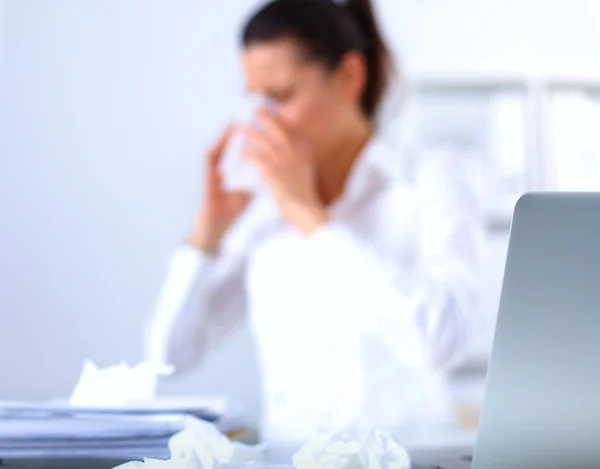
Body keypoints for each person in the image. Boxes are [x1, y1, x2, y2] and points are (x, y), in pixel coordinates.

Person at [146, 0, 484, 450]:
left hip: (411, 458)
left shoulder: (432, 179)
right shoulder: (263, 208)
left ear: (349, 76)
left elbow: (444, 339)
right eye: (255, 99)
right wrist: (206, 236)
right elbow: (169, 357)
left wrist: (314, 222)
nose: (262, 119)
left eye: (281, 96)